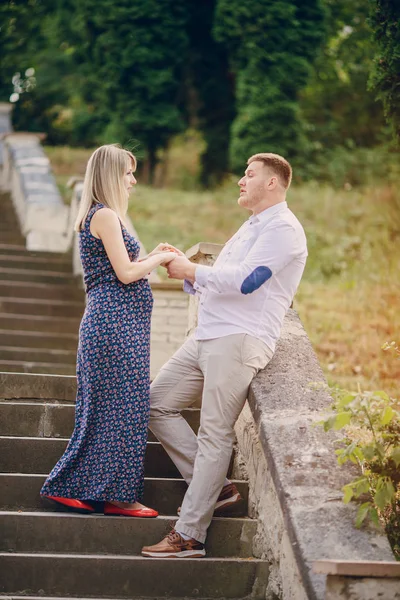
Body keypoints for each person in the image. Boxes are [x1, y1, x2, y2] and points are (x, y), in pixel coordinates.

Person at [141, 152, 308, 555]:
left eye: (249, 174)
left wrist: (191, 270)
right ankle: (217, 488)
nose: (240, 180)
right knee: (156, 403)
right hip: (206, 336)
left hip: (239, 339)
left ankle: (190, 535)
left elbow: (249, 281)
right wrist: (183, 265)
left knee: (215, 434)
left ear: (272, 182)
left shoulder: (284, 228)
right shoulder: (251, 225)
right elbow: (222, 279)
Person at [40, 144, 177, 517]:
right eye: (128, 173)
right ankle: (114, 495)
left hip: (120, 325)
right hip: (113, 325)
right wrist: (160, 259)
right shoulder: (105, 217)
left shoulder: (102, 217)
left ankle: (104, 492)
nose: (133, 181)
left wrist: (152, 256)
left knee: (116, 408)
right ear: (110, 176)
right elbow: (126, 274)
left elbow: (129, 266)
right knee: (125, 408)